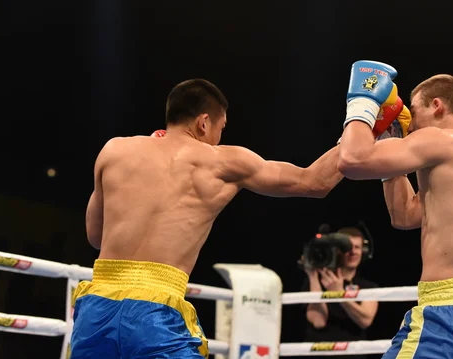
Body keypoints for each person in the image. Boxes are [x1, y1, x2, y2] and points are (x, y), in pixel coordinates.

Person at [70, 78, 362, 359]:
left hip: (97, 308)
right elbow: (313, 182)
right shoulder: (222, 161)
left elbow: (96, 236)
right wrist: (362, 124)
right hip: (154, 313)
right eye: (220, 128)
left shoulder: (114, 150)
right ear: (204, 122)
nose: (219, 137)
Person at [337, 61, 453, 358]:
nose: (409, 122)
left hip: (450, 319)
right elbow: (405, 215)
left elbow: (351, 161)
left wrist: (364, 102)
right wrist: (390, 140)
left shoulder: (440, 138)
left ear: (437, 106)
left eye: (413, 110)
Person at [301, 226, 378, 359]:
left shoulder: (368, 287)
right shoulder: (315, 281)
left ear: (364, 252)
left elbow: (365, 320)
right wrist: (313, 277)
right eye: (347, 247)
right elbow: (318, 321)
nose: (352, 252)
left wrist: (339, 293)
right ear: (337, 251)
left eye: (357, 247)